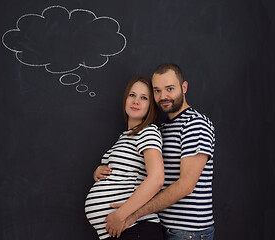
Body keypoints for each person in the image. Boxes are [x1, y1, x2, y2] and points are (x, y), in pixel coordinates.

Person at [105, 63, 215, 240]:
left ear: (184, 87)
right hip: (163, 227)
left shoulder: (195, 124)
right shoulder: (162, 128)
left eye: (169, 89)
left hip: (188, 232)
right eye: (157, 91)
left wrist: (134, 214)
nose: (163, 96)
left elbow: (185, 186)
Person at [85, 76, 165, 240]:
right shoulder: (126, 136)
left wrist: (121, 215)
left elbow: (157, 178)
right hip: (124, 232)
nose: (136, 101)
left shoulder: (148, 131)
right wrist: (100, 171)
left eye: (144, 98)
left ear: (151, 106)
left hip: (136, 229)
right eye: (132, 95)